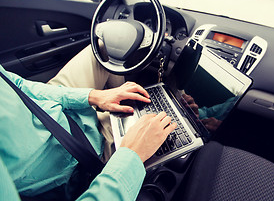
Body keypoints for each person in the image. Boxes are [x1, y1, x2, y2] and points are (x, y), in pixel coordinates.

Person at [0, 45, 177, 200]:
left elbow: (17, 85)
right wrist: (131, 156)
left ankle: (127, 108)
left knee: (108, 46)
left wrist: (92, 96)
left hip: (51, 110)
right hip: (76, 159)